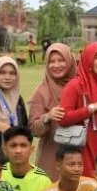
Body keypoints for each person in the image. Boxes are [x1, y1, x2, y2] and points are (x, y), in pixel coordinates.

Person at [58, 41, 97, 176]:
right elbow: (63, 118)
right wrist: (92, 108)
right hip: (83, 151)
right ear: (88, 59)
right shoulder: (75, 86)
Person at [28, 42, 76, 179]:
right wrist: (47, 117)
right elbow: (33, 130)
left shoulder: (80, 86)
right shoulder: (41, 92)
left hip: (79, 156)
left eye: (61, 60)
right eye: (52, 61)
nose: (56, 65)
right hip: (51, 157)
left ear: (69, 61)